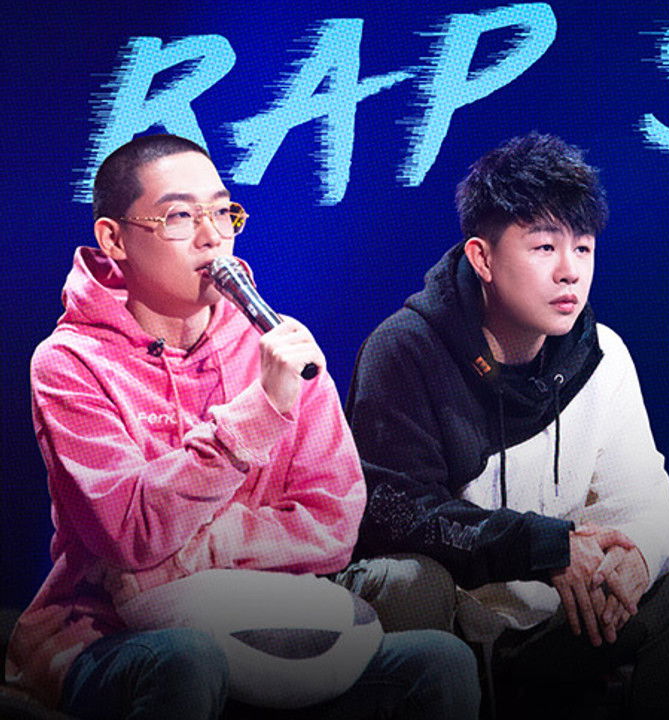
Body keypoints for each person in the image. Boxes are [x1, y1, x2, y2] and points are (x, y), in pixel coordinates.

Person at [3, 134, 479, 719]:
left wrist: (192, 554)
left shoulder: (278, 345)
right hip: (109, 631)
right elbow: (126, 535)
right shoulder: (71, 363)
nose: (212, 236)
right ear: (114, 238)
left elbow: (333, 521)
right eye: (180, 216)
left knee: (439, 662)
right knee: (187, 659)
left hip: (263, 619)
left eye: (222, 212)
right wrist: (260, 413)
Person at [339, 132, 669, 718]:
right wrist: (543, 548)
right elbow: (397, 516)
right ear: (483, 258)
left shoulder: (602, 355)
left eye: (584, 248)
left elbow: (653, 512)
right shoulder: (406, 350)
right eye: (545, 247)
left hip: (554, 629)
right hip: (449, 623)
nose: (570, 272)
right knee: (411, 581)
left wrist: (637, 562)